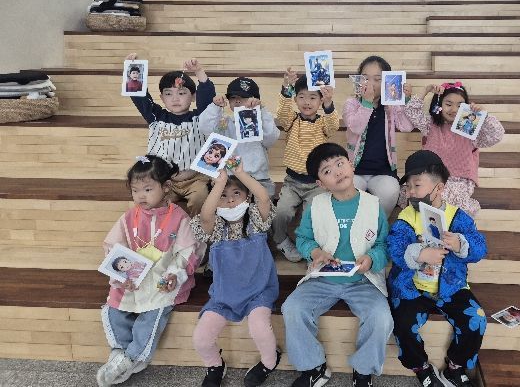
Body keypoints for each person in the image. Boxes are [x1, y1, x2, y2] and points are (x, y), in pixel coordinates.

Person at [281, 143, 392, 387]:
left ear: (351, 165)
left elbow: (383, 245)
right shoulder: (316, 206)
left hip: (363, 280)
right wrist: (315, 252)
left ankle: (363, 370)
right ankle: (314, 367)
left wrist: (371, 258)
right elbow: (303, 238)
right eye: (327, 171)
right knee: (292, 308)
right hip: (323, 278)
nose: (337, 172)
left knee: (381, 318)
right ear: (320, 183)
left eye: (340, 163)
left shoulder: (373, 204)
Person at [97, 155, 203, 387]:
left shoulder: (179, 217)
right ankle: (120, 353)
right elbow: (113, 247)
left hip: (163, 277)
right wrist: (122, 276)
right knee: (114, 307)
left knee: (154, 312)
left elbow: (188, 252)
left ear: (166, 187)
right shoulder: (129, 217)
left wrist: (175, 274)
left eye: (147, 189)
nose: (140, 196)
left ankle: (133, 356)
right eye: (135, 191)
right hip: (133, 277)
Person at [387, 150, 488, 387]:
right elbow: (394, 247)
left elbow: (480, 246)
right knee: (402, 324)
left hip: (452, 287)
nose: (411, 192)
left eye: (417, 185)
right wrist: (419, 254)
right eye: (408, 187)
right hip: (412, 288)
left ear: (439, 188)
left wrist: (461, 244)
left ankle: (455, 367)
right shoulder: (406, 217)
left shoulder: (458, 217)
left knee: (477, 318)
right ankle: (421, 368)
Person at [191, 160, 279, 387]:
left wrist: (240, 172)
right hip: (224, 295)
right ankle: (215, 365)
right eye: (223, 195)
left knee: (259, 329)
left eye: (236, 193)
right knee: (201, 339)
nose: (230, 200)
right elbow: (206, 216)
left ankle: (269, 362)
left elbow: (263, 198)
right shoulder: (216, 228)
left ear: (247, 197)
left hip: (259, 291)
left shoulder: (256, 221)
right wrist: (219, 183)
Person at [125, 54, 216, 216]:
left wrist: (199, 71)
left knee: (200, 199)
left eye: (181, 93)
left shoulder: (200, 118)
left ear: (193, 96)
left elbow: (208, 100)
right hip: (164, 180)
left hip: (195, 179)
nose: (175, 99)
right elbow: (140, 97)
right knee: (157, 203)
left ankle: (199, 228)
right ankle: (161, 229)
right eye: (168, 94)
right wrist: (133, 68)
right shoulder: (156, 117)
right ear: (161, 98)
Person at [402, 82, 505, 217]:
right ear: (439, 104)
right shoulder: (431, 125)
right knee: (413, 194)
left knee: (444, 200)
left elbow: (496, 135)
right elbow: (411, 111)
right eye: (448, 104)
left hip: (459, 180)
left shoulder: (469, 129)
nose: (454, 109)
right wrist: (426, 90)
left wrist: (484, 116)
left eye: (460, 106)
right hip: (433, 177)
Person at [273, 69, 340, 262]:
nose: (307, 102)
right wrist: (286, 88)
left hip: (316, 184)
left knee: (313, 215)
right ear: (295, 100)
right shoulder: (292, 120)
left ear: (320, 101)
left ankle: (311, 247)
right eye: (301, 97)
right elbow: (282, 113)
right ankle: (280, 240)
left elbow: (333, 125)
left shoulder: (323, 124)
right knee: (281, 212)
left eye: (312, 97)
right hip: (292, 182)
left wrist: (329, 103)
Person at [342, 56, 413, 218]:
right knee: (346, 194)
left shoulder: (391, 106)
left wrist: (406, 101)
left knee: (391, 191)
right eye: (365, 78)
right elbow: (355, 127)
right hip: (354, 170)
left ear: (387, 81)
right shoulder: (351, 103)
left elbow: (406, 126)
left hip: (383, 171)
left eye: (377, 79)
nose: (371, 84)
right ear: (358, 80)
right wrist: (366, 104)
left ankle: (380, 227)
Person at [198, 77, 280, 196]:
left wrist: (261, 110)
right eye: (233, 97)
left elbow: (271, 139)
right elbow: (205, 128)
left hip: (259, 178)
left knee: (264, 202)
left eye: (243, 97)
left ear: (255, 100)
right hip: (230, 179)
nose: (237, 101)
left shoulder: (261, 120)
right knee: (222, 200)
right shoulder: (224, 122)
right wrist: (215, 107)